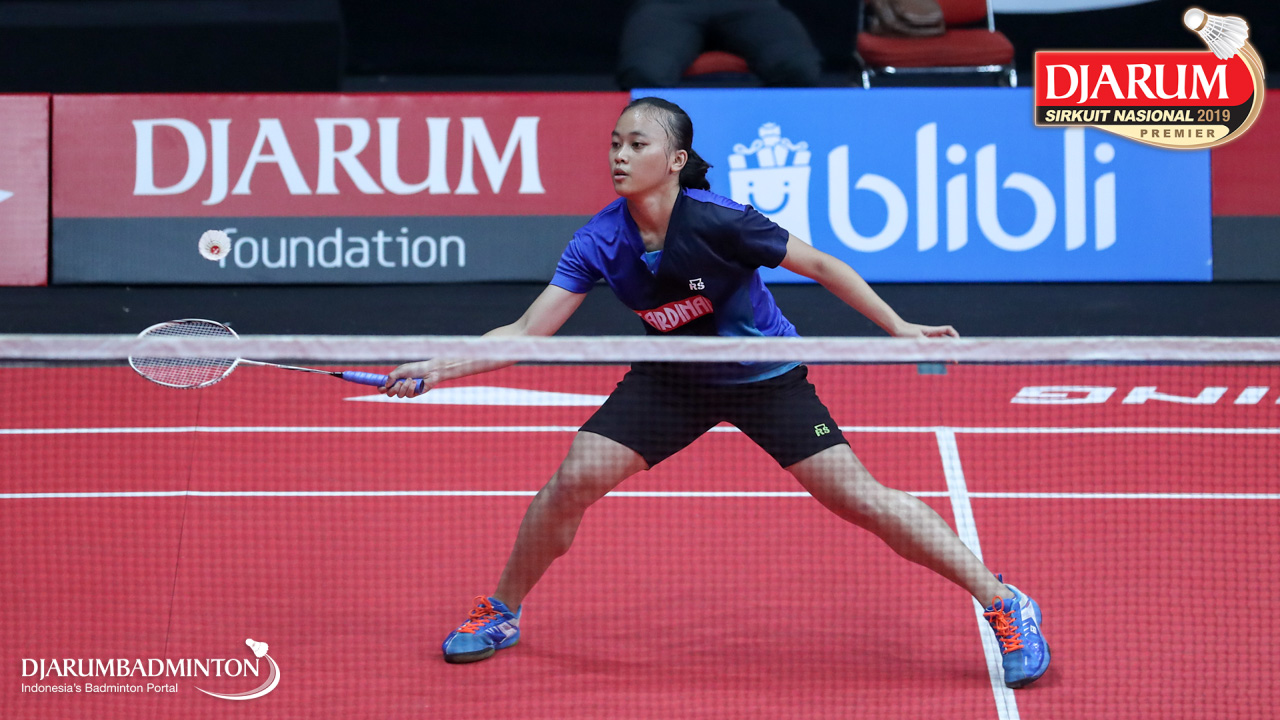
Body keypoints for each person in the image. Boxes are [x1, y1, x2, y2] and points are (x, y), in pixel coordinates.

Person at [381, 97, 1051, 688]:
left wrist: (898, 327)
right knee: (573, 479)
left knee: (859, 498)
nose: (619, 156)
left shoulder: (722, 221)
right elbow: (529, 331)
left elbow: (819, 264)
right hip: (673, 378)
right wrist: (438, 368)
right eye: (614, 144)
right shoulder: (598, 240)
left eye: (636, 144)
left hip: (764, 378)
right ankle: (502, 610)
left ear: (675, 160)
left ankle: (1003, 601)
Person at [616, 0, 823, 89]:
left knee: (797, 67)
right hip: (669, 5)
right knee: (643, 73)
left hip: (749, 5)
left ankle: (769, 133)